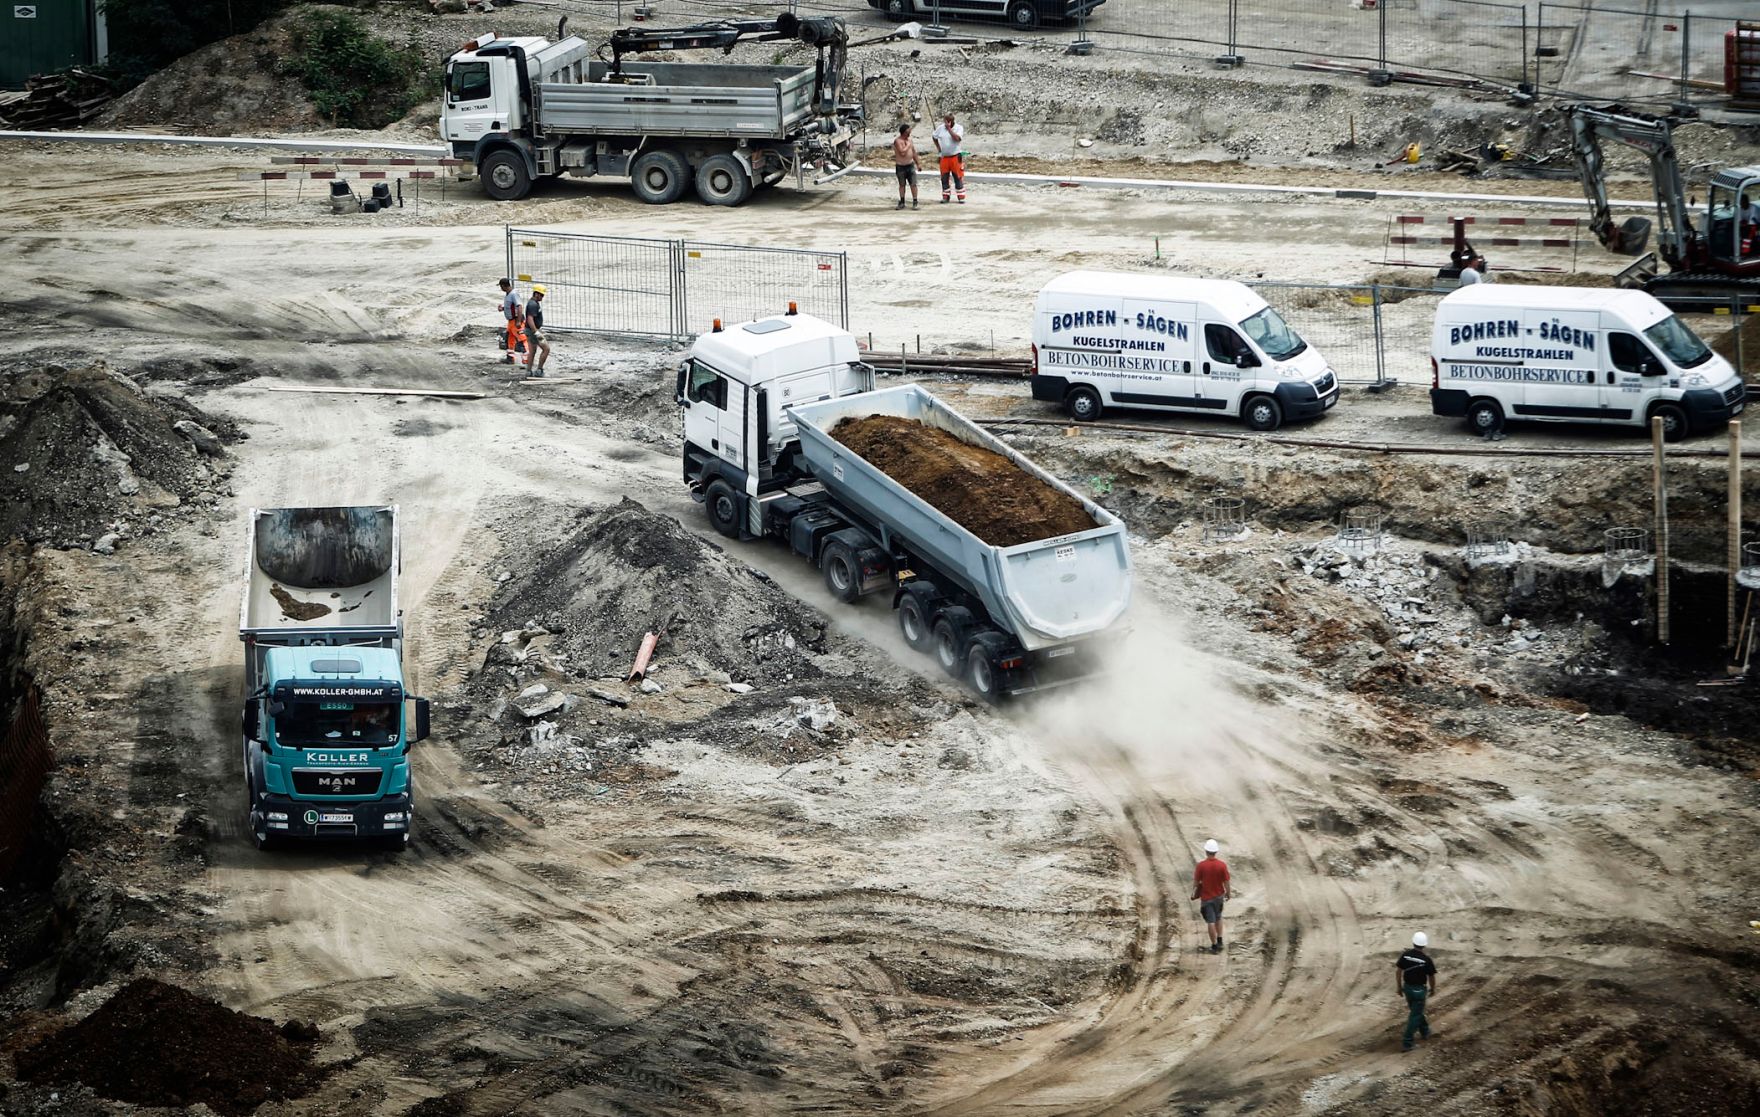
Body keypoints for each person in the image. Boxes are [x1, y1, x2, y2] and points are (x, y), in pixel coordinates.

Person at [1395, 931, 1437, 1051]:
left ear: (1413, 942)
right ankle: (1407, 1042)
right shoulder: (1426, 960)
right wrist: (1433, 989)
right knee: (1415, 1016)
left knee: (1416, 1012)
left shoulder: (1405, 955)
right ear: (1424, 945)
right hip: (1419, 990)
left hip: (1407, 989)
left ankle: (1425, 1031)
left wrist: (1399, 987)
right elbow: (1431, 977)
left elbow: (1398, 971)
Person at [1191, 838, 1230, 954]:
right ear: (1216, 851)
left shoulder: (1201, 866)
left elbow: (1196, 882)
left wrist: (1193, 892)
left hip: (1207, 898)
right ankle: (1220, 939)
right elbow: (1226, 882)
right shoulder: (1222, 865)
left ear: (1206, 851)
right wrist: (1228, 893)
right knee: (1218, 917)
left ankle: (1214, 946)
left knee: (1211, 922)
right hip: (1219, 897)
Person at [932, 113, 966, 205]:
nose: (946, 123)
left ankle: (961, 196)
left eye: (948, 121)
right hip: (945, 157)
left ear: (952, 121)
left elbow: (957, 139)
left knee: (958, 176)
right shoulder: (940, 128)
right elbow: (934, 136)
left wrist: (949, 129)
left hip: (955, 156)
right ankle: (946, 196)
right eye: (945, 121)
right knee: (944, 177)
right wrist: (939, 149)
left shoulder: (959, 128)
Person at [524, 285, 551, 377]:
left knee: (532, 351)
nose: (542, 297)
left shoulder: (533, 303)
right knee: (546, 349)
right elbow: (530, 319)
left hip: (530, 330)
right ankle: (539, 370)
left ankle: (529, 371)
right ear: (536, 294)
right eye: (541, 295)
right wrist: (536, 332)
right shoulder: (533, 304)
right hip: (532, 331)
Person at [893, 123, 920, 210]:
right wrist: (908, 145)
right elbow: (902, 152)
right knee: (902, 185)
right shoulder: (898, 141)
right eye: (908, 132)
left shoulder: (909, 141)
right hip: (901, 166)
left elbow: (914, 152)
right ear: (904, 132)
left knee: (913, 184)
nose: (910, 133)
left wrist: (918, 164)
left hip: (910, 165)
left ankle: (915, 202)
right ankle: (902, 202)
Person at [498, 278, 525, 365]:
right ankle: (510, 358)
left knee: (522, 340)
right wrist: (502, 308)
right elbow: (511, 307)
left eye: (501, 286)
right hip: (511, 321)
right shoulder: (508, 294)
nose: (500, 289)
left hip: (515, 320)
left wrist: (518, 321)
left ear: (503, 286)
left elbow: (519, 306)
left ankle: (527, 359)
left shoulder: (513, 294)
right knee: (510, 339)